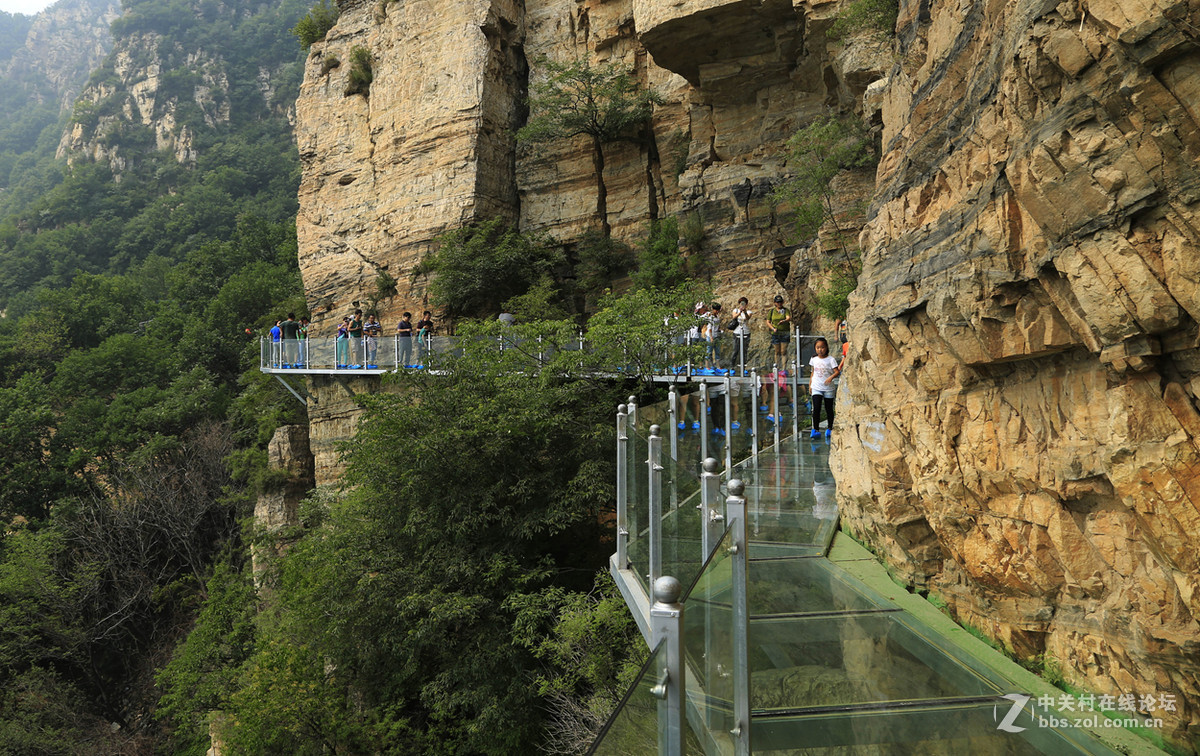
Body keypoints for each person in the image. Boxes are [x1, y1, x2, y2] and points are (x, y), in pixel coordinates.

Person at [809, 337, 840, 439]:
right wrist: (810, 385)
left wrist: (831, 377)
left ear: (826, 347)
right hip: (816, 387)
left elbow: (837, 372)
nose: (820, 350)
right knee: (816, 408)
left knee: (828, 408)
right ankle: (816, 429)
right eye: (818, 348)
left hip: (828, 388)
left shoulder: (831, 360)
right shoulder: (814, 359)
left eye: (822, 347)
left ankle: (830, 428)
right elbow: (813, 372)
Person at [766, 295, 791, 366]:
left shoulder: (786, 310)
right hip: (775, 333)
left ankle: (784, 368)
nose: (779, 304)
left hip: (784, 332)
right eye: (777, 302)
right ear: (775, 303)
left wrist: (784, 321)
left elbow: (788, 318)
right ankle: (777, 367)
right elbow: (768, 322)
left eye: (780, 302)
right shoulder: (772, 311)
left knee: (783, 351)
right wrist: (773, 328)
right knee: (777, 351)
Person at [730, 297, 753, 375]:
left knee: (744, 351)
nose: (742, 305)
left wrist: (745, 312)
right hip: (737, 332)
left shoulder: (749, 312)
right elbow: (734, 317)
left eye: (744, 303)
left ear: (746, 304)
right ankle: (732, 367)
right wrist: (739, 312)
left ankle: (743, 367)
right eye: (741, 303)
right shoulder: (735, 310)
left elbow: (747, 318)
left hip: (746, 333)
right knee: (735, 350)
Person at [704, 302, 723, 372]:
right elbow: (709, 328)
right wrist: (711, 337)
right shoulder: (710, 317)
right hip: (710, 336)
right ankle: (707, 366)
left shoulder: (717, 317)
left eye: (718, 310)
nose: (717, 311)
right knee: (709, 351)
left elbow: (717, 326)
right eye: (716, 310)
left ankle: (718, 366)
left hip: (716, 335)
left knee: (717, 351)